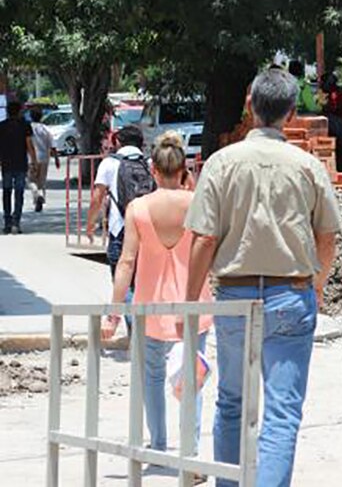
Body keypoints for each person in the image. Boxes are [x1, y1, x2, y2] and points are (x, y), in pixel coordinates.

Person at [184, 69, 342, 487]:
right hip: (290, 295)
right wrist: (318, 286)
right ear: (291, 113)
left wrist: (190, 300)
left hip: (234, 296)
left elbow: (202, 238)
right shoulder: (308, 166)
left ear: (249, 103)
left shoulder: (221, 162)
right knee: (282, 412)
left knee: (232, 403)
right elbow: (327, 236)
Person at [101, 132, 212, 481]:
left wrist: (114, 311)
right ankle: (190, 452)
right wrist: (190, 186)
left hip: (150, 304)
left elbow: (126, 263)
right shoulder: (197, 204)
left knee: (151, 375)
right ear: (184, 169)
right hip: (194, 303)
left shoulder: (138, 209)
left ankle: (159, 446)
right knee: (191, 375)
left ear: (152, 169)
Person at [86, 125, 156, 320]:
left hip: (120, 230)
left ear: (118, 142)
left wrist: (90, 225)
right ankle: (143, 330)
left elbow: (97, 197)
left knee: (123, 282)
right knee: (144, 282)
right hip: (148, 230)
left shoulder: (109, 163)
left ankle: (134, 330)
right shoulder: (150, 163)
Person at [0, 100, 38, 234]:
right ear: (19, 111)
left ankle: (7, 223)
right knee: (19, 193)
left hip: (6, 164)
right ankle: (16, 223)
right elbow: (30, 146)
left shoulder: (2, 126)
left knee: (6, 192)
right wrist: (34, 162)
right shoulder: (25, 126)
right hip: (21, 164)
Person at [28, 108, 59, 212]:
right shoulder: (46, 129)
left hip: (31, 158)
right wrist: (57, 159)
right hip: (44, 157)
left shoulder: (28, 128)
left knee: (31, 180)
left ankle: (37, 194)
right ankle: (40, 198)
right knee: (41, 181)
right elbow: (53, 145)